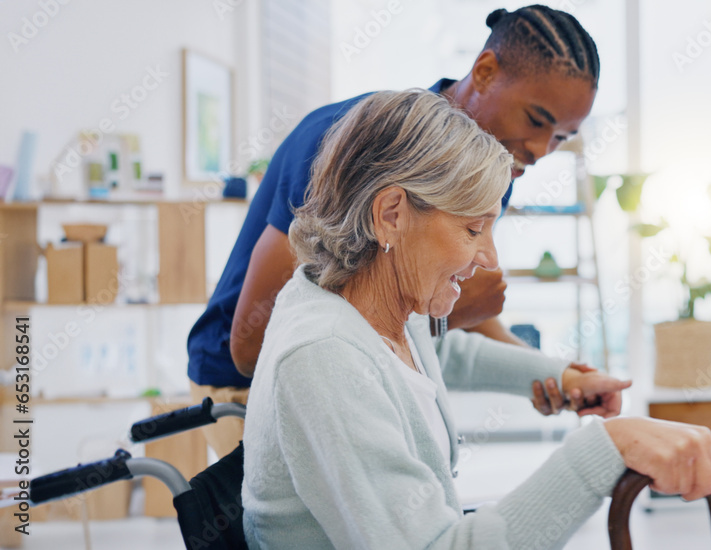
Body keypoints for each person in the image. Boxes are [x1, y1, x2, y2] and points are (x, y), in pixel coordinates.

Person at [242, 89, 711, 549]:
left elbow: (441, 352)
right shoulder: (324, 357)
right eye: (473, 228)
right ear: (392, 213)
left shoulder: (364, 302)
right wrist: (606, 450)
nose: (490, 258)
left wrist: (557, 377)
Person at [188, 5, 612, 457]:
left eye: (562, 138)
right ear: (485, 71)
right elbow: (252, 345)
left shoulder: (493, 169)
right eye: (535, 119)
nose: (542, 150)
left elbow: (436, 289)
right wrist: (444, 318)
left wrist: (546, 374)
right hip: (246, 382)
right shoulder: (348, 140)